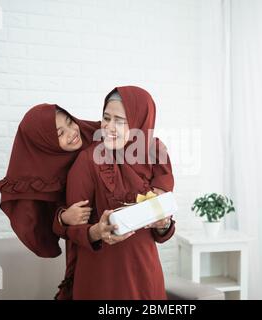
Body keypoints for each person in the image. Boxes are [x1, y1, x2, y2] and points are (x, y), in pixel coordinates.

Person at [0, 102, 173, 299]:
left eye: (70, 122)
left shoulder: (101, 137)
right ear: (45, 142)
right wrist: (63, 217)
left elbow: (134, 132)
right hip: (97, 260)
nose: (72, 132)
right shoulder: (61, 168)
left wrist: (163, 220)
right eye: (59, 133)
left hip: (140, 264)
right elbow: (44, 219)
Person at [60, 86, 175, 299]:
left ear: (140, 122)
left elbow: (162, 230)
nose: (109, 127)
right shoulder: (88, 161)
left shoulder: (155, 156)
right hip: (101, 279)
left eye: (120, 121)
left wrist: (164, 224)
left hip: (145, 276)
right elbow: (72, 229)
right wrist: (97, 231)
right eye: (106, 118)